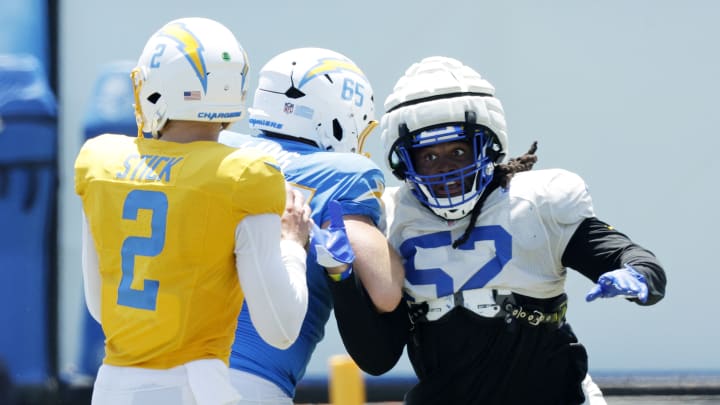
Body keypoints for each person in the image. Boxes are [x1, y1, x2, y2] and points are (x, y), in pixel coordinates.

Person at [329, 56, 667, 404]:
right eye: (429, 157)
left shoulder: (538, 203)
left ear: (487, 145)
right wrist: (342, 279)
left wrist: (638, 275)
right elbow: (377, 358)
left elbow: (630, 257)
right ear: (405, 161)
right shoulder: (392, 218)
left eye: (458, 151)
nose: (445, 170)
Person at [73, 17, 311, 405]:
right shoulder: (243, 174)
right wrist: (292, 246)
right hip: (195, 388)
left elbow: (101, 308)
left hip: (113, 389)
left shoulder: (99, 160)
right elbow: (280, 329)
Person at [218, 47, 404, 404]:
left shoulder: (219, 151)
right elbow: (385, 291)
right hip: (251, 384)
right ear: (339, 116)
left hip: (167, 368)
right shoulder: (343, 174)